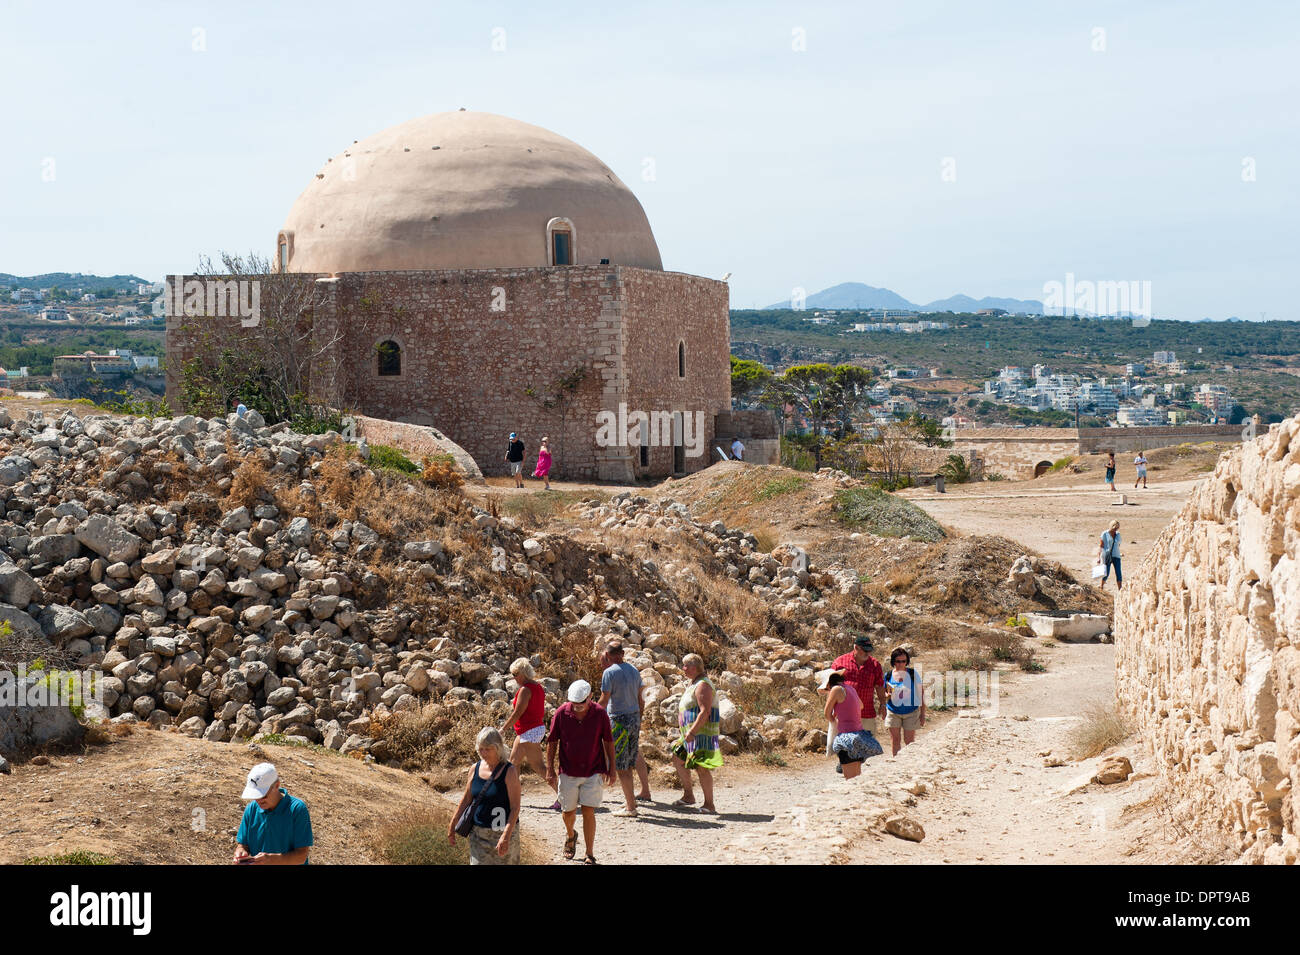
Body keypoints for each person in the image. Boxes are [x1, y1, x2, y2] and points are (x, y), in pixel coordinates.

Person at [546, 679, 615, 864]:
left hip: (593, 770)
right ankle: (570, 835)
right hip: (568, 771)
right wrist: (550, 769)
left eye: (581, 705)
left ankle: (589, 853)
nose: (577, 708)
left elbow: (608, 741)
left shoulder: (600, 714)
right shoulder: (562, 713)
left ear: (590, 698)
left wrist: (612, 769)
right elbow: (552, 741)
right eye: (574, 705)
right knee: (568, 812)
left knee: (588, 811)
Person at [448, 727, 522, 864]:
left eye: (487, 749)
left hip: (502, 834)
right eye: (481, 749)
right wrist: (453, 823)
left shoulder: (509, 771)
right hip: (478, 836)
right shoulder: (474, 769)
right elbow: (466, 799)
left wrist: (506, 836)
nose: (483, 753)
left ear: (498, 748)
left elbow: (515, 807)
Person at [598, 640, 651, 815]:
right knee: (631, 758)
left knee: (621, 764)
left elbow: (605, 700)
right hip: (634, 717)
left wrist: (593, 714)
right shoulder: (634, 671)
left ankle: (631, 807)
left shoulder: (609, 673)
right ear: (622, 653)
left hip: (618, 720)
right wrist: (640, 716)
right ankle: (630, 800)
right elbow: (640, 697)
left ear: (607, 655)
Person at [232, 762, 313, 865]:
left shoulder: (297, 809)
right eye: (255, 796)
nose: (259, 800)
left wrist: (272, 860)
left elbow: (301, 856)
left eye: (263, 795)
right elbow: (243, 845)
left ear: (277, 785)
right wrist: (241, 852)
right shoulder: (251, 809)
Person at [504, 658, 558, 809]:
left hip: (529, 731)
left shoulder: (525, 690)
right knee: (513, 764)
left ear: (523, 673)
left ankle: (565, 797)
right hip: (528, 730)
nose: (513, 678)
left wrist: (503, 729)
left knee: (539, 767)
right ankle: (512, 799)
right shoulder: (537, 686)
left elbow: (517, 714)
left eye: (515, 674)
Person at [671, 653, 722, 812]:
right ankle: (688, 795)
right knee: (678, 757)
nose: (683, 668)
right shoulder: (694, 683)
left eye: (685, 665)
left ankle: (709, 804)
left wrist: (692, 731)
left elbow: (705, 711)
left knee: (701, 767)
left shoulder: (703, 685)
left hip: (700, 733)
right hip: (690, 734)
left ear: (693, 667)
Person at [818, 670, 882, 778]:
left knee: (850, 778)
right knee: (857, 776)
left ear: (828, 684)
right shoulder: (850, 688)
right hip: (859, 736)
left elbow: (826, 713)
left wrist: (835, 722)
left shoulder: (836, 689)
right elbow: (861, 706)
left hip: (846, 738)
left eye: (826, 688)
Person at [831, 635, 888, 734]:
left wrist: (883, 704)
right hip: (843, 714)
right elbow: (831, 686)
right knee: (839, 746)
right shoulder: (840, 662)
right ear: (856, 647)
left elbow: (879, 686)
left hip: (866, 713)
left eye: (869, 650)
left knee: (868, 746)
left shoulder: (875, 665)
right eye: (865, 650)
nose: (868, 653)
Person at [884, 647, 926, 756]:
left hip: (911, 712)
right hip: (893, 711)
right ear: (893, 661)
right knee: (895, 740)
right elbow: (884, 693)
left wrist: (922, 714)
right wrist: (887, 695)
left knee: (909, 742)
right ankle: (896, 764)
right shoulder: (888, 675)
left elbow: (921, 693)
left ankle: (909, 764)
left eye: (904, 661)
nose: (901, 664)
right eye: (898, 661)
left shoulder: (913, 674)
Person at [1099, 520, 1123, 590]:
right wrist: (1099, 557)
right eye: (1115, 528)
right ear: (1112, 526)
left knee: (1118, 573)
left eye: (1117, 528)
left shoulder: (1118, 534)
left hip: (1116, 556)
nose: (1116, 529)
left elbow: (1118, 544)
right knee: (1106, 573)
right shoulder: (1104, 534)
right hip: (1107, 556)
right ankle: (1101, 587)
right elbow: (1101, 545)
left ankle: (1120, 590)